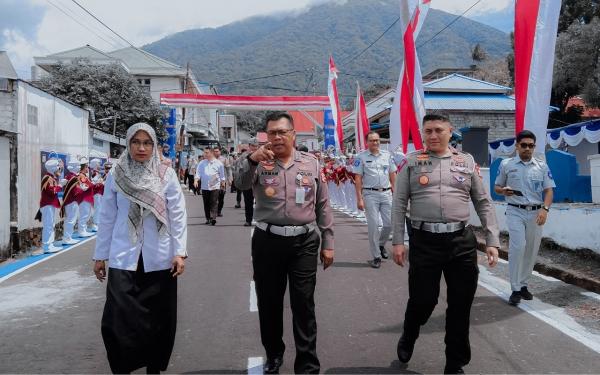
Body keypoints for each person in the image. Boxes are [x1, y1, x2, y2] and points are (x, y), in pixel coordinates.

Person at [391, 114, 500, 374]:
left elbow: (483, 202)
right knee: (423, 300)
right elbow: (399, 204)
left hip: (461, 241)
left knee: (460, 305)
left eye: (438, 130)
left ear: (450, 132)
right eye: (427, 131)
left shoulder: (466, 161)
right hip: (424, 241)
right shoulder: (412, 162)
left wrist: (492, 239)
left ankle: (455, 362)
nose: (433, 135)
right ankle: (410, 332)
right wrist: (398, 241)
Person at [235, 112, 334, 374]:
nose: (277, 137)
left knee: (303, 303)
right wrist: (250, 160)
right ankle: (274, 354)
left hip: (304, 241)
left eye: (282, 132)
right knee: (269, 302)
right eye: (272, 133)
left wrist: (329, 242)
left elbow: (323, 203)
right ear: (267, 136)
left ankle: (307, 364)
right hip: (268, 241)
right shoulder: (258, 161)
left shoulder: (311, 163)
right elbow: (239, 182)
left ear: (293, 134)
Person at [93, 122, 187, 374]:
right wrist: (100, 255)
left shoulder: (166, 173)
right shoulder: (116, 173)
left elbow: (177, 214)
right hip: (124, 255)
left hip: (160, 257)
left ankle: (153, 368)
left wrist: (180, 251)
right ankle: (122, 367)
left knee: (158, 320)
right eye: (136, 142)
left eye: (147, 143)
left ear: (154, 145)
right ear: (128, 143)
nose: (141, 148)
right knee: (116, 320)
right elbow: (107, 216)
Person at [494, 130, 555, 306]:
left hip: (536, 212)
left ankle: (523, 285)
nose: (527, 148)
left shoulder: (542, 166)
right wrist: (503, 190)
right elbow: (497, 187)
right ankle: (514, 289)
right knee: (518, 247)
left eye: (531, 145)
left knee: (531, 249)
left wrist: (545, 209)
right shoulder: (507, 164)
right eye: (524, 145)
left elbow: (549, 190)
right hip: (515, 211)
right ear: (517, 146)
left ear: (534, 147)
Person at [353, 131, 396, 268]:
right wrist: (359, 199)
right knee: (374, 225)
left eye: (377, 140)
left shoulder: (387, 156)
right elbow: (358, 179)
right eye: (372, 140)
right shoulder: (361, 157)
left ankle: (381, 244)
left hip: (386, 193)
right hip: (370, 194)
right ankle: (376, 256)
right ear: (367, 142)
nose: (375, 143)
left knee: (389, 224)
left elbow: (392, 174)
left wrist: (396, 192)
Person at [194, 148, 225, 225]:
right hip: (205, 186)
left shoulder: (219, 163)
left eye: (206, 153)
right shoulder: (202, 163)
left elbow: (222, 175)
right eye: (204, 153)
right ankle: (208, 218)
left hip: (215, 185)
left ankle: (213, 218)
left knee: (214, 201)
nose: (205, 154)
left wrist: (223, 183)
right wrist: (196, 180)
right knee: (206, 202)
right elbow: (198, 173)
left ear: (211, 153)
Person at [39, 159, 63, 253]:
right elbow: (51, 191)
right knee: (48, 225)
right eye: (57, 167)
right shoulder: (47, 178)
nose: (59, 169)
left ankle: (50, 244)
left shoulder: (51, 177)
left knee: (50, 224)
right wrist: (60, 186)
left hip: (49, 204)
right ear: (53, 168)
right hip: (47, 204)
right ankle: (47, 246)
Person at [234, 140, 259, 226]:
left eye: (256, 146)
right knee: (248, 202)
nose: (255, 147)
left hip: (259, 182)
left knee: (260, 202)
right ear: (249, 146)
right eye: (253, 145)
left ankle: (260, 219)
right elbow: (239, 168)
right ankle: (248, 220)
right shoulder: (243, 156)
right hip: (248, 181)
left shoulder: (261, 155)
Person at [60, 159, 82, 245]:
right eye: (78, 166)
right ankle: (67, 238)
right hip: (72, 201)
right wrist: (82, 189)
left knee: (70, 219)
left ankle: (68, 237)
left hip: (70, 201)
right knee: (71, 220)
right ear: (73, 167)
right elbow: (75, 191)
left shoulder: (69, 176)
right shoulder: (73, 178)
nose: (79, 167)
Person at [77, 158, 95, 238]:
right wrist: (93, 184)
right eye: (87, 167)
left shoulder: (84, 176)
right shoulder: (81, 176)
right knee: (84, 215)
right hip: (84, 198)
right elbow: (85, 185)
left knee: (87, 214)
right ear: (84, 167)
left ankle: (83, 230)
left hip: (87, 198)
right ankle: (81, 231)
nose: (88, 168)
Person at [213, 147, 231, 217]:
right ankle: (213, 211)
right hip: (212, 182)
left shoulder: (224, 159)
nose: (216, 153)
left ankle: (219, 211)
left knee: (221, 197)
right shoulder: (210, 160)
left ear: (220, 152)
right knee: (213, 198)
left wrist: (230, 179)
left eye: (217, 151)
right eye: (214, 151)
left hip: (222, 182)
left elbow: (228, 169)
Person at [89, 158, 104, 232]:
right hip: (97, 193)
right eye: (98, 163)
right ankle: (95, 223)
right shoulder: (95, 173)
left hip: (99, 193)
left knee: (99, 208)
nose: (99, 165)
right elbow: (94, 183)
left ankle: (97, 223)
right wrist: (100, 182)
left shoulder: (97, 173)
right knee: (97, 208)